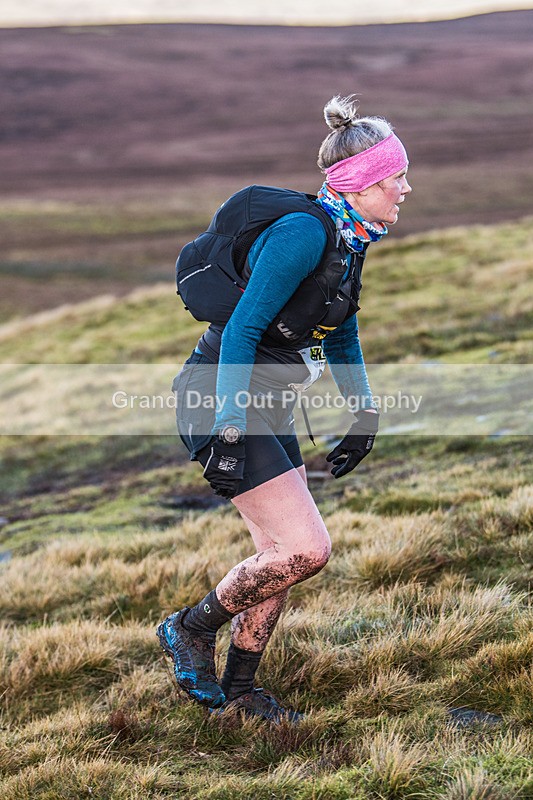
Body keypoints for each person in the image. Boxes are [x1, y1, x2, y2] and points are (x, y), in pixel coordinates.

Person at [157, 95, 412, 723]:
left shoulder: (352, 239)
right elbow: (242, 332)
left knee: (278, 554)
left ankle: (241, 692)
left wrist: (364, 415)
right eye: (396, 177)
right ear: (361, 182)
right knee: (306, 548)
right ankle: (189, 628)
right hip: (219, 398)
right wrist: (229, 428)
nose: (407, 187)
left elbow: (343, 333)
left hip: (266, 402)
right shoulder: (303, 234)